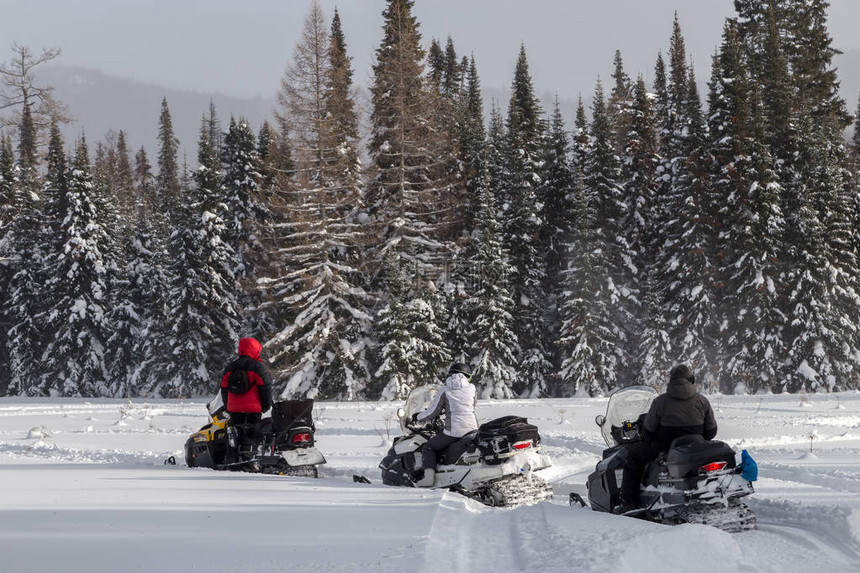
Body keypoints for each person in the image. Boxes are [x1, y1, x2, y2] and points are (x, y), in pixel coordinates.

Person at [615, 364, 718, 514]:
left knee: (632, 457)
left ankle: (628, 503)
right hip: (696, 447)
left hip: (665, 447)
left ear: (671, 380)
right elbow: (711, 431)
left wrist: (647, 438)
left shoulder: (660, 402)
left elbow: (648, 430)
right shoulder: (702, 401)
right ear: (691, 380)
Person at [412, 362, 478, 487]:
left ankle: (428, 479)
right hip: (472, 429)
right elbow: (472, 406)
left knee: (429, 447)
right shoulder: (472, 388)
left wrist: (418, 417)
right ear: (466, 376)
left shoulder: (445, 389)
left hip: (454, 432)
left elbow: (433, 411)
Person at [219, 337, 273, 465]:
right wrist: (266, 404)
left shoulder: (230, 367)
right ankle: (249, 457)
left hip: (234, 408)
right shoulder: (257, 366)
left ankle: (231, 457)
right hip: (253, 408)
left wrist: (228, 406)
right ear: (255, 350)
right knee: (253, 431)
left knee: (234, 429)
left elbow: (224, 388)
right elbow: (265, 387)